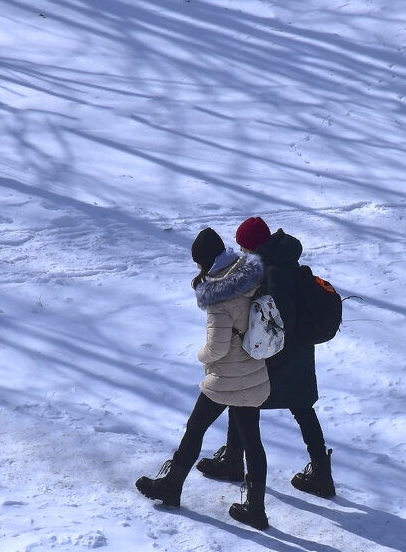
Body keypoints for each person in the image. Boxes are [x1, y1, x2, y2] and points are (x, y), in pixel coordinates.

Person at [135, 227, 273, 530]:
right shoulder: (248, 273)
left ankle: (172, 485)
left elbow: (217, 348)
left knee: (195, 427)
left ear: (205, 262)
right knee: (253, 441)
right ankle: (257, 508)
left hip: (227, 376)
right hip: (253, 371)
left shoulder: (219, 296)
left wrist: (201, 356)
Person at [195, 216, 336, 499]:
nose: (242, 253)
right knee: (301, 407)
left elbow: (281, 316)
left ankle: (234, 460)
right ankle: (320, 470)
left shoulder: (273, 270)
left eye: (244, 248)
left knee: (242, 394)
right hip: (298, 351)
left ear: (253, 245)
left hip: (280, 353)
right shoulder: (281, 260)